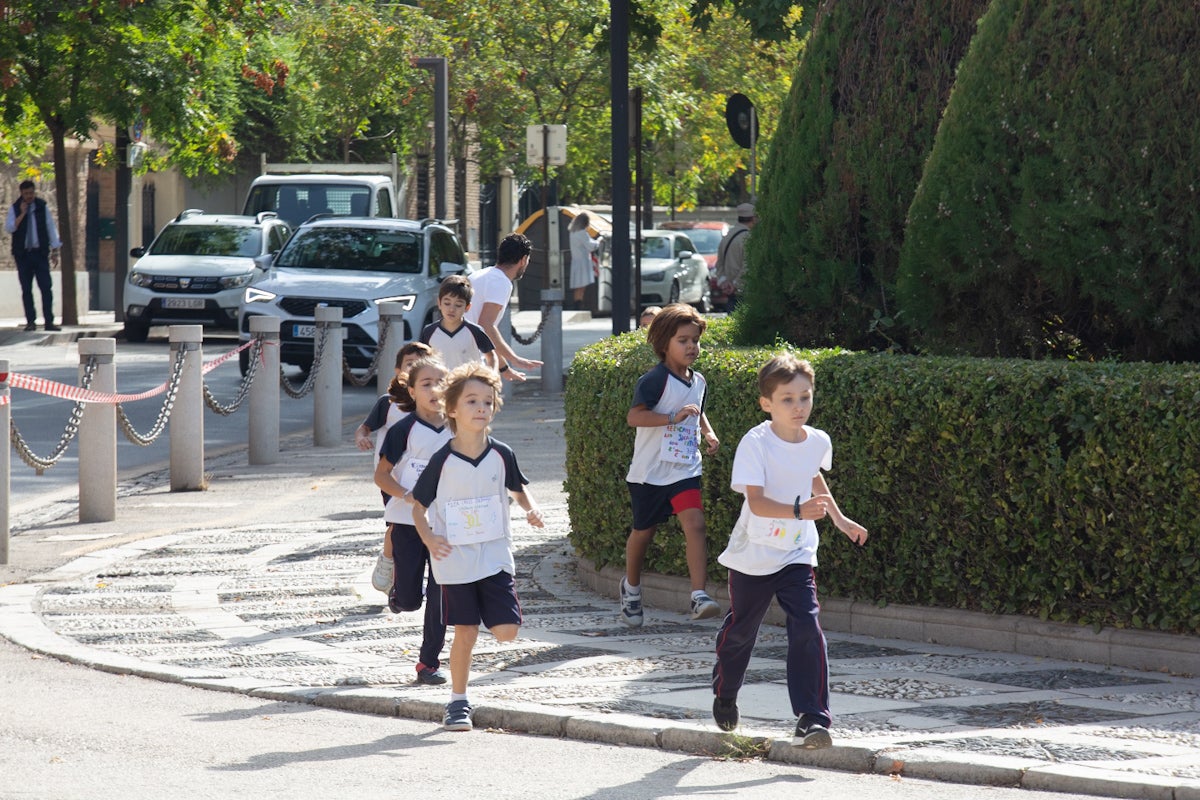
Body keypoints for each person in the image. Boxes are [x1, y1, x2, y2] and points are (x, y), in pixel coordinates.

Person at [710, 353, 868, 749]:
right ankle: (726, 691)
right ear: (767, 403)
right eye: (787, 399)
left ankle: (812, 718)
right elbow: (758, 503)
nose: (798, 407)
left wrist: (839, 519)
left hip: (797, 551)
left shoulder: (817, 441)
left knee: (808, 626)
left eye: (805, 397)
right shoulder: (755, 443)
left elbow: (812, 476)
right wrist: (799, 511)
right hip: (755, 553)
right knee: (742, 630)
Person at [410, 362, 545, 731]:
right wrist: (428, 537)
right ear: (452, 409)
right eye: (471, 401)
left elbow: (517, 488)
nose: (481, 408)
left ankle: (489, 604)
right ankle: (458, 701)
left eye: (488, 401)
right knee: (465, 631)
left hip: (495, 554)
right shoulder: (442, 459)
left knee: (506, 632)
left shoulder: (502, 453)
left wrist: (530, 508)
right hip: (453, 560)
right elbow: (418, 508)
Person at [620, 303, 721, 627]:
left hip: (684, 469)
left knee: (695, 524)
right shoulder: (653, 380)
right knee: (642, 533)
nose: (691, 346)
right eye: (683, 340)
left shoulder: (699, 380)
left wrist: (708, 432)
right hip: (649, 473)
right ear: (664, 343)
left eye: (695, 340)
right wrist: (670, 418)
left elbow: (696, 409)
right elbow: (634, 417)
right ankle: (632, 588)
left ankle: (698, 595)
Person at [373, 355, 453, 685]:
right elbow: (381, 475)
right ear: (412, 390)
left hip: (443, 523)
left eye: (441, 383)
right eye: (426, 384)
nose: (435, 389)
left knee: (440, 594)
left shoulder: (458, 426)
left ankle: (428, 663)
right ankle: (398, 594)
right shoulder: (403, 430)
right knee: (409, 599)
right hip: (406, 520)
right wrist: (408, 495)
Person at [355, 340, 436, 593]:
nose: (414, 370)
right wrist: (362, 437)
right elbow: (364, 427)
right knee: (398, 524)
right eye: (409, 365)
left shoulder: (439, 405)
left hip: (427, 476)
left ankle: (426, 575)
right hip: (392, 477)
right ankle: (388, 561)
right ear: (397, 370)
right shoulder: (388, 403)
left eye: (421, 366)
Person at [464, 233, 543, 382]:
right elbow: (485, 325)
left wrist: (504, 368)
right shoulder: (501, 282)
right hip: (471, 360)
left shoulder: (480, 274)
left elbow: (486, 332)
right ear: (523, 260)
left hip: (460, 353)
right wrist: (514, 358)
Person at [5, 180, 63, 332]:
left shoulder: (42, 207)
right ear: (21, 194)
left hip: (40, 253)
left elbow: (50, 228)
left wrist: (55, 250)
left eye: (31, 193)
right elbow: (10, 227)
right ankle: (31, 321)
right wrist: (22, 213)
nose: (29, 196)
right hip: (23, 255)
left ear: (34, 192)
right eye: (26, 194)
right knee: (26, 289)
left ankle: (49, 322)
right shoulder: (15, 208)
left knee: (46, 287)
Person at [420, 274, 498, 372]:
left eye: (458, 305)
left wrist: (492, 378)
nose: (451, 309)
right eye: (447, 303)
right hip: (442, 385)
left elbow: (491, 357)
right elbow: (421, 360)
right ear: (439, 303)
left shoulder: (474, 331)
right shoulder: (429, 332)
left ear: (467, 307)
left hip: (470, 384)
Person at [714, 203, 756, 313]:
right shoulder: (748, 238)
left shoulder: (727, 236)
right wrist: (735, 284)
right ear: (753, 218)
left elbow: (719, 264)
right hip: (743, 291)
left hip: (730, 291)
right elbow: (748, 265)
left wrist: (725, 282)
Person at [568, 212, 599, 310]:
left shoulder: (572, 233)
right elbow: (590, 245)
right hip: (583, 262)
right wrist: (599, 241)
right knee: (582, 286)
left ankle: (577, 304)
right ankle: (578, 305)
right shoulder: (582, 233)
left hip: (576, 261)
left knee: (578, 286)